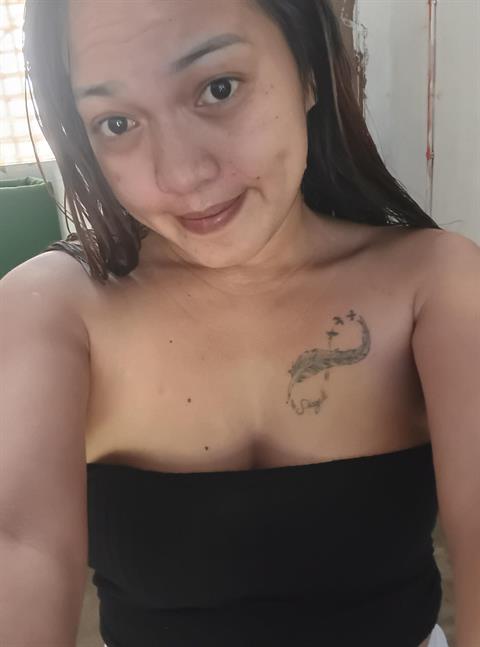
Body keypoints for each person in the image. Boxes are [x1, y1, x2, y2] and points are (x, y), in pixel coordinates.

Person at [2, 0, 479, 645]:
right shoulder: (54, 310)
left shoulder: (434, 285)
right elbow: (20, 547)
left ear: (310, 68)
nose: (181, 174)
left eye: (218, 88)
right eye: (116, 123)